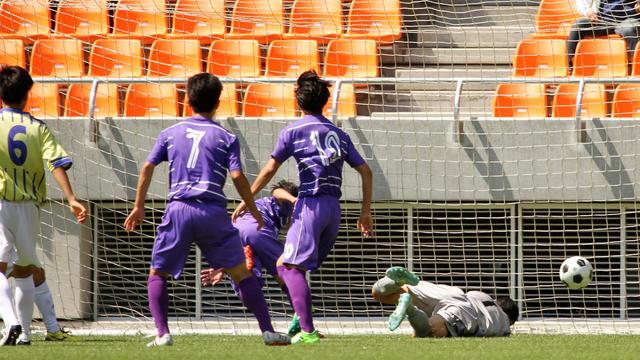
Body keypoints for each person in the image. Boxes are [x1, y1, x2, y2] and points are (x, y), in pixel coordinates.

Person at [123, 73, 290, 347]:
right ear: (218, 102)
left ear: (187, 100)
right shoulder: (226, 136)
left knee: (157, 273)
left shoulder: (169, 133)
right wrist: (254, 211)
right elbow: (237, 177)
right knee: (240, 273)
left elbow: (147, 167)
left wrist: (139, 206)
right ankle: (268, 331)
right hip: (212, 211)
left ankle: (163, 334)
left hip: (178, 208)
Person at [232, 70, 374, 344]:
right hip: (334, 209)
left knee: (289, 268)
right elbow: (366, 171)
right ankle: (302, 318)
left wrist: (245, 199)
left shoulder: (293, 131)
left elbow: (271, 169)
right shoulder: (338, 134)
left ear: (298, 100)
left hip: (309, 205)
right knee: (286, 263)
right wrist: (365, 211)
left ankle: (307, 331)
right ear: (324, 100)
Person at [0, 65, 87, 346]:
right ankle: (24, 333)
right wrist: (71, 198)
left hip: (2, 203)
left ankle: (10, 321)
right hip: (29, 207)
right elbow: (57, 164)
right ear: (27, 94)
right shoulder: (39, 127)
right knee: (25, 270)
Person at [200, 180, 303, 335]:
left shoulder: (261, 204)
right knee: (288, 273)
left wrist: (222, 268)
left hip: (235, 232)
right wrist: (294, 199)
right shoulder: (284, 201)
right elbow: (277, 191)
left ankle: (251, 278)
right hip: (259, 231)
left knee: (245, 279)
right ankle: (302, 316)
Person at [372, 267, 519, 338]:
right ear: (510, 321)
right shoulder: (503, 322)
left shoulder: (485, 296)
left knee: (378, 293)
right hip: (464, 310)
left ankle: (393, 281)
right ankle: (409, 308)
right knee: (425, 333)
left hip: (454, 293)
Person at [567, 0, 640, 70]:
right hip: (604, 20)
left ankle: (637, 67)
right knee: (579, 25)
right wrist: (589, 12)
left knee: (630, 29)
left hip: (628, 19)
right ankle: (568, 65)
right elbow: (582, 3)